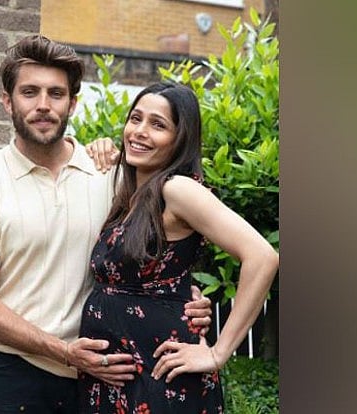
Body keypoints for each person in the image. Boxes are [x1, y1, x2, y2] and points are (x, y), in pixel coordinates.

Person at [0, 35, 213, 414]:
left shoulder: (111, 174)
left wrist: (185, 296)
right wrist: (64, 352)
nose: (43, 105)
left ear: (72, 103)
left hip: (105, 376)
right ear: (8, 101)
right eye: (29, 92)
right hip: (13, 374)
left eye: (56, 94)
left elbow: (158, 252)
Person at [77, 81, 279, 413]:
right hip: (116, 377)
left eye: (158, 125)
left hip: (159, 375)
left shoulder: (177, 190)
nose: (140, 131)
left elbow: (263, 256)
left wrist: (218, 353)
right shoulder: (131, 196)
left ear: (179, 139)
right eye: (136, 119)